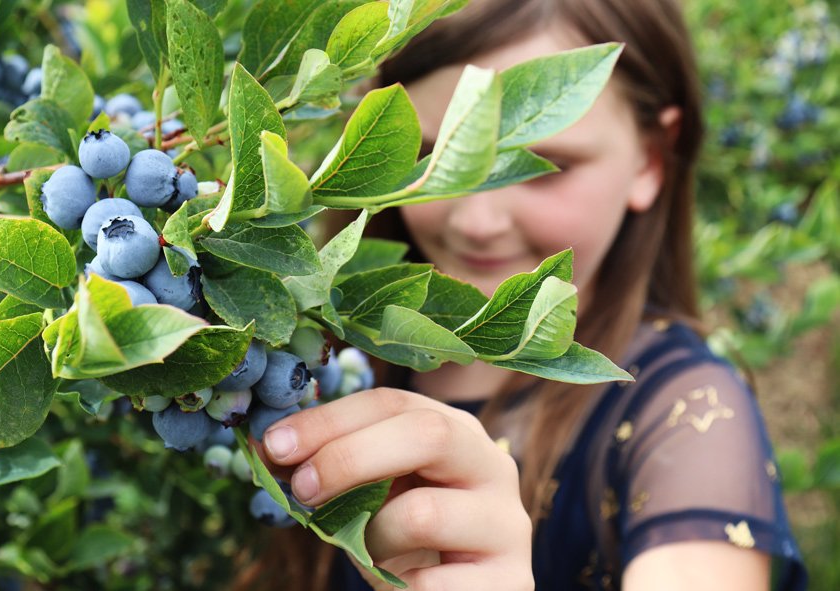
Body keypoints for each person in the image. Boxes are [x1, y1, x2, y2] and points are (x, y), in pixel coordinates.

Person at [234, 0, 808, 589]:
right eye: (431, 157)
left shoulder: (688, 418)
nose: (476, 221)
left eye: (538, 166)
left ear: (651, 159)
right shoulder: (321, 343)